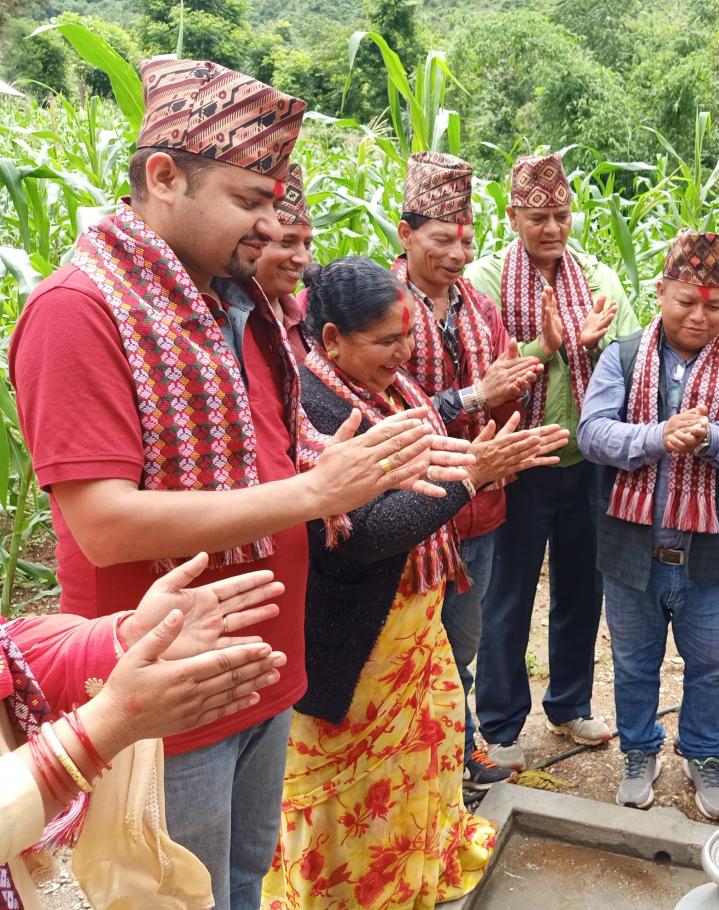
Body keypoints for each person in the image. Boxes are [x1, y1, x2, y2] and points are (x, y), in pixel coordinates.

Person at [8, 58, 468, 910]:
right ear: (163, 177)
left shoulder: (240, 304)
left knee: (246, 876)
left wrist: (340, 465)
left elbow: (270, 452)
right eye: (249, 201)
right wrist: (316, 495)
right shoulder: (80, 309)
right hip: (164, 692)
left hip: (264, 666)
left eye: (274, 202)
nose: (268, 225)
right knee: (179, 893)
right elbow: (103, 525)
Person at [262, 256, 567, 909]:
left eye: (407, 336)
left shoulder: (388, 386)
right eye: (386, 341)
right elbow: (362, 535)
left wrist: (475, 456)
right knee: (354, 783)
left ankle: (413, 869)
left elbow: (428, 442)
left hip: (411, 624)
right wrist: (470, 476)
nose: (403, 353)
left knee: (419, 753)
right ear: (332, 339)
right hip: (357, 639)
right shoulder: (315, 409)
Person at [578, 230, 719, 820]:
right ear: (662, 292)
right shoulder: (621, 356)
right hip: (631, 550)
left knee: (711, 666)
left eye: (714, 306)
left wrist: (710, 437)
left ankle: (704, 755)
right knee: (633, 664)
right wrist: (657, 437)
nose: (699, 316)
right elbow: (592, 433)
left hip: (709, 555)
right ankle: (639, 752)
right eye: (686, 301)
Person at [466, 153, 640, 771]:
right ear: (513, 216)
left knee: (581, 591)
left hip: (585, 461)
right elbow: (483, 369)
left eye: (562, 216)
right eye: (538, 217)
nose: (552, 228)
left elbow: (629, 360)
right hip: (518, 461)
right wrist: (548, 347)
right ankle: (500, 723)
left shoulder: (598, 279)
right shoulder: (485, 281)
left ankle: (569, 703)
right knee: (507, 597)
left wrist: (596, 348)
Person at [2, 554, 286, 910]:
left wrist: (123, 640)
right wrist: (111, 721)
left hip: (257, 684)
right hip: (177, 728)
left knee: (248, 870)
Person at [392, 151, 543, 787]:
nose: (457, 254)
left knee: (462, 638)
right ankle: (411, 761)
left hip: (477, 510)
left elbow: (503, 399)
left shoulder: (480, 310)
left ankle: (460, 748)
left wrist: (508, 391)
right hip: (408, 507)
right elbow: (379, 406)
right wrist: (478, 393)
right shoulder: (383, 307)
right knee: (404, 641)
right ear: (405, 233)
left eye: (466, 240)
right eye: (442, 239)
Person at [257, 162, 313, 363]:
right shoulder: (228, 322)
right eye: (287, 242)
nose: (303, 258)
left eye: (307, 245)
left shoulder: (308, 320)